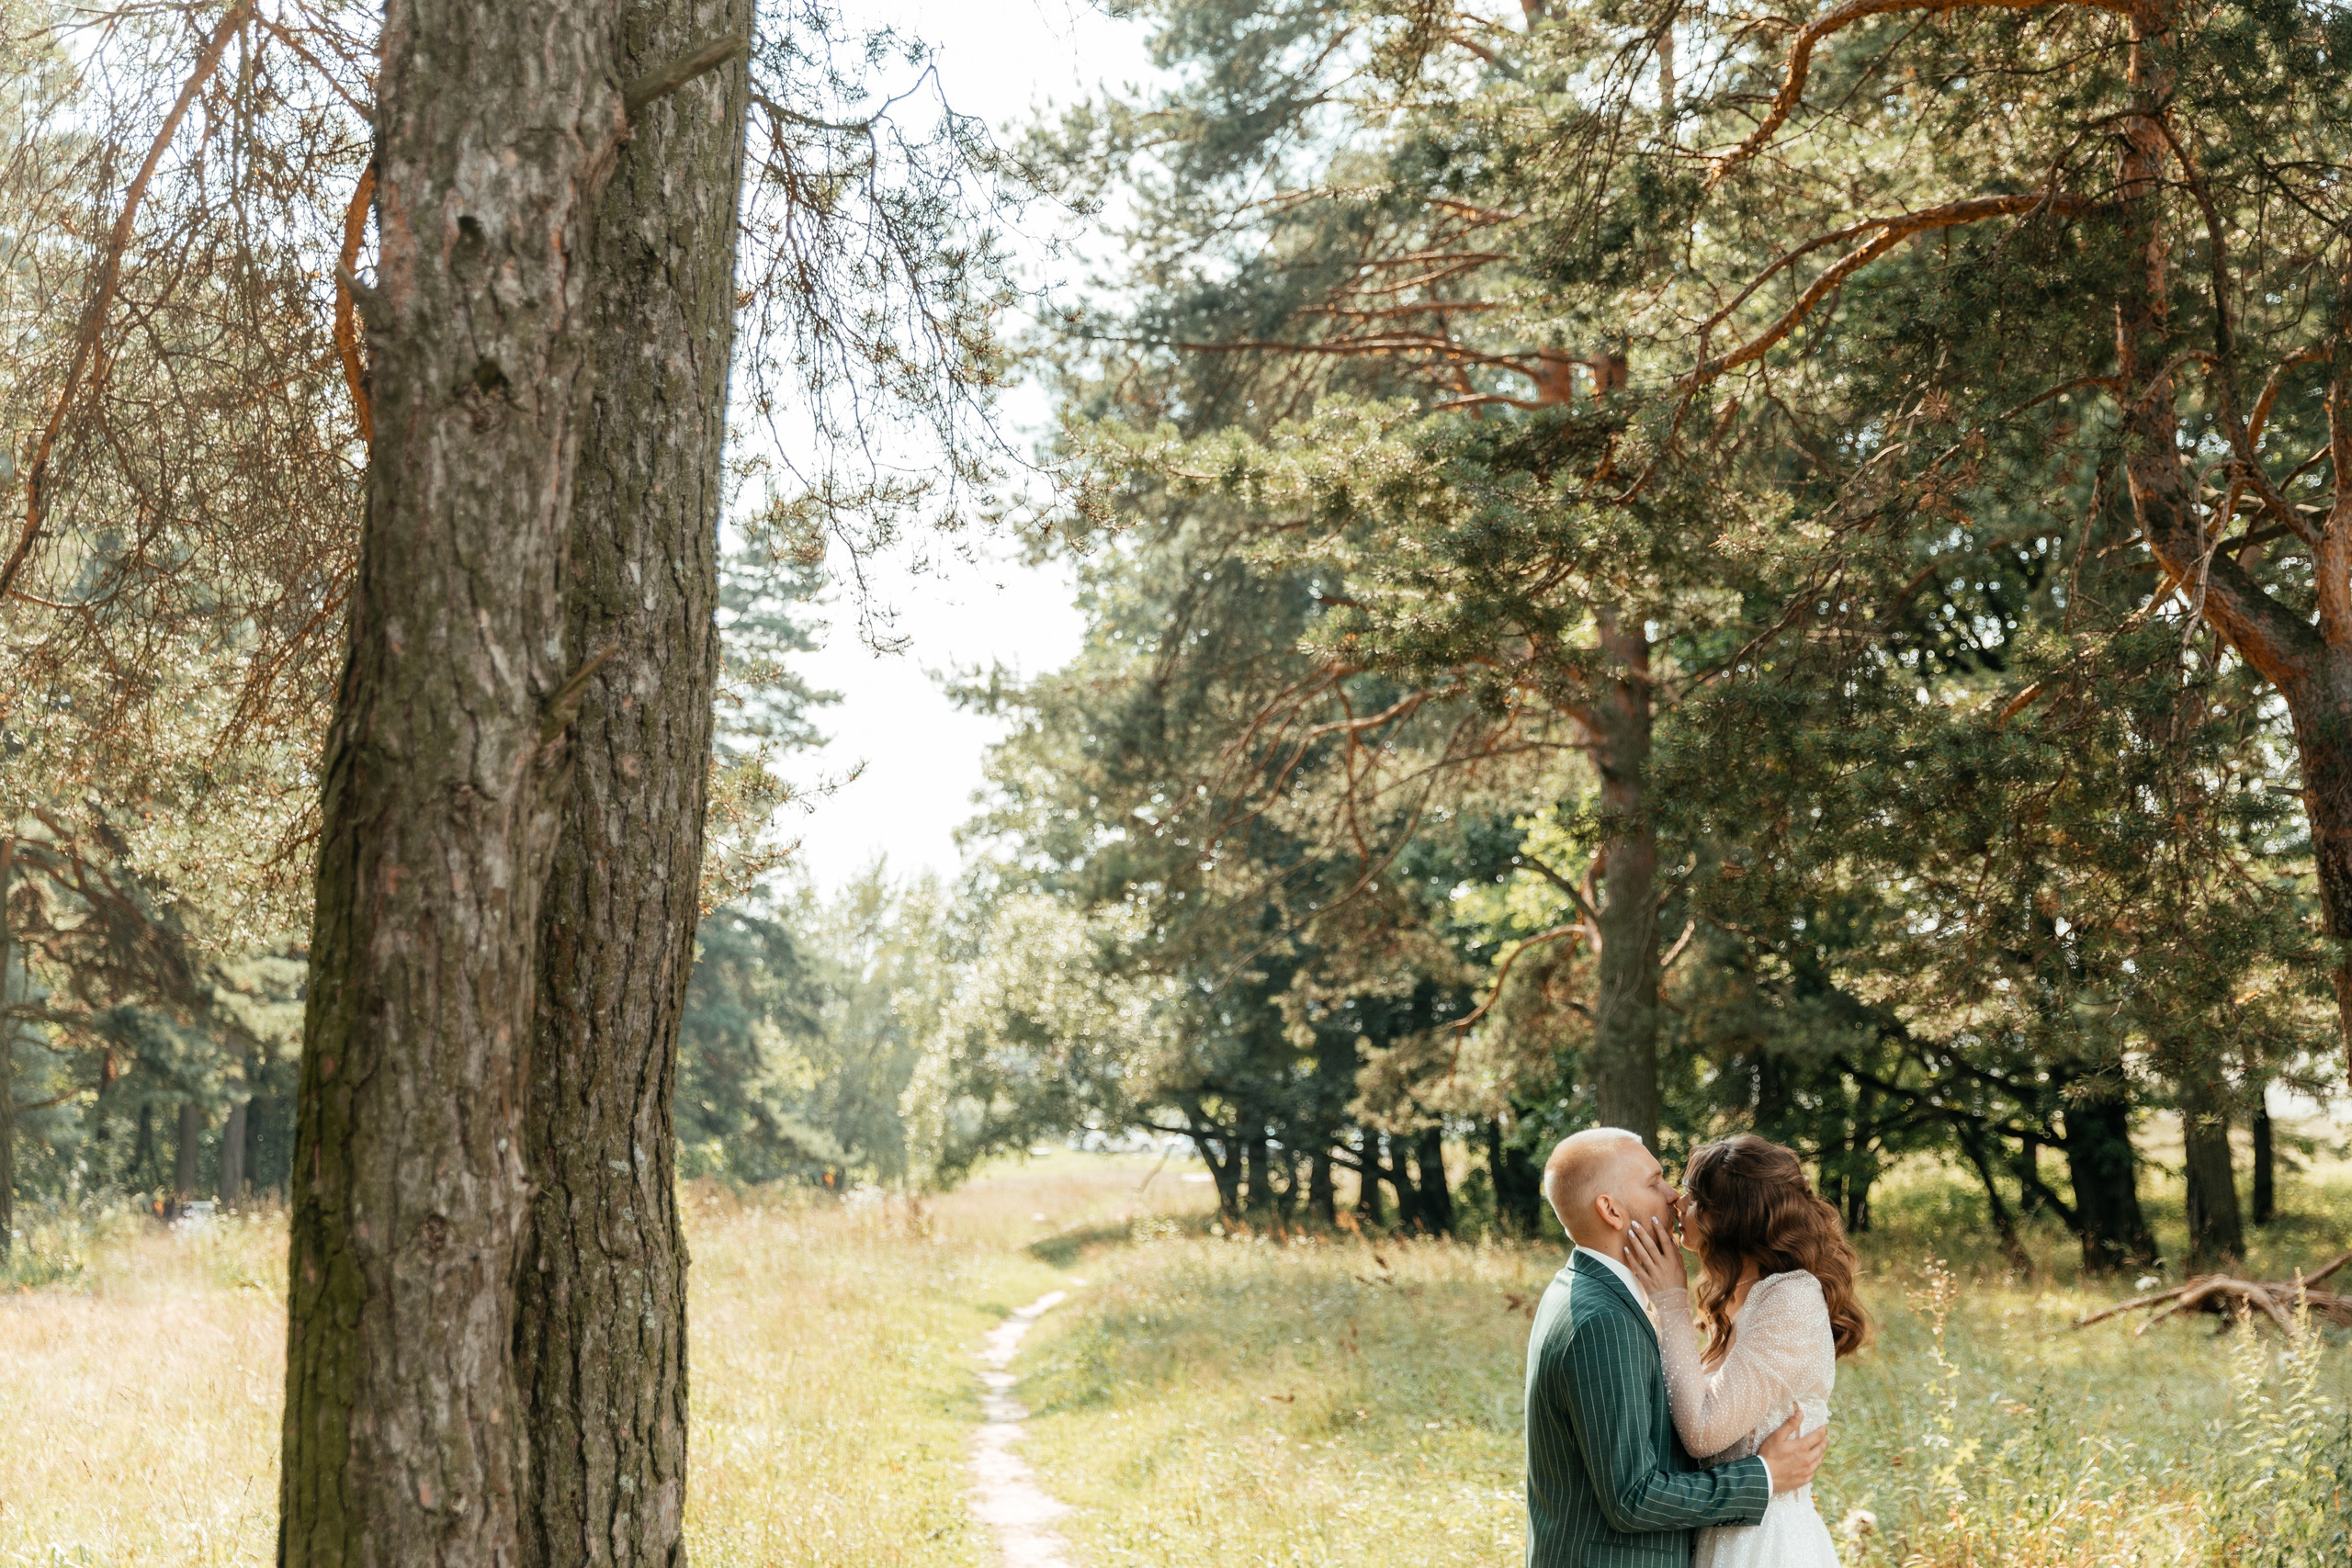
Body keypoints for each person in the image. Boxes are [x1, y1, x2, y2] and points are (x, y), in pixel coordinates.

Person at [1525, 1128, 1828, 1568]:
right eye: (1655, 1182)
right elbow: (1633, 1494)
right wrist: (1762, 1476)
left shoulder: (1587, 1292)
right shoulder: (1604, 1319)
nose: (1673, 1197)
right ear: (1610, 1210)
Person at [1623, 1133, 1872, 1568]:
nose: (1679, 1201)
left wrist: (1670, 1301)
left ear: (1731, 1216)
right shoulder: (1746, 1297)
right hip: (1723, 1532)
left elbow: (1703, 1432)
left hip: (1764, 1546)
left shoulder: (1790, 1299)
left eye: (1695, 1195)